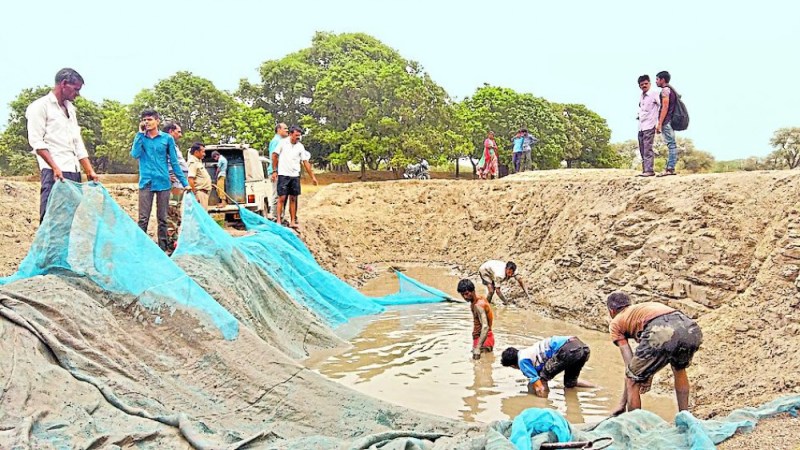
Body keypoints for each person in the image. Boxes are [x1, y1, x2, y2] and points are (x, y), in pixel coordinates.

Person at [605, 292, 703, 414]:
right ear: (629, 304)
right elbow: (651, 355)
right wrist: (647, 375)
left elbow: (631, 366)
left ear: (611, 311)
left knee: (631, 380)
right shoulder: (643, 308)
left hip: (661, 330)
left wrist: (621, 404)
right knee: (679, 369)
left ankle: (634, 426)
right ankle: (685, 417)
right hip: (690, 329)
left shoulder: (616, 323)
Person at [26, 68, 99, 222]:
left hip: (73, 171)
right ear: (64, 84)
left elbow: (77, 142)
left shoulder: (71, 109)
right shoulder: (40, 107)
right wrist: (55, 167)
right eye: (75, 89)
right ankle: (47, 248)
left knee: (71, 220)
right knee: (51, 219)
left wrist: (89, 170)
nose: (77, 94)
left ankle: (66, 248)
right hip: (55, 172)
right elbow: (37, 142)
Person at [131, 109, 188, 252]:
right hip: (146, 183)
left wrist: (185, 183)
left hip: (163, 183)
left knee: (162, 219)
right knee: (143, 218)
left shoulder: (167, 139)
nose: (146, 122)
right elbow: (135, 154)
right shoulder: (141, 138)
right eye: (144, 120)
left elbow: (174, 163)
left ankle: (162, 249)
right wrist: (139, 134)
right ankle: (139, 249)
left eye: (149, 119)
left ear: (157, 121)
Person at [501, 336, 593, 397]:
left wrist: (540, 400)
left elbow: (538, 383)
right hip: (581, 347)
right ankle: (596, 389)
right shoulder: (528, 352)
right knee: (570, 384)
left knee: (542, 379)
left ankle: (544, 405)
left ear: (513, 365)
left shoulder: (522, 361)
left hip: (567, 349)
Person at [270, 125, 318, 230]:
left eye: (299, 136)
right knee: (281, 198)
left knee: (293, 198)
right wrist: (274, 171)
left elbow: (305, 162)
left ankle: (292, 221)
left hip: (295, 175)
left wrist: (312, 177)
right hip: (283, 174)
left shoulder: (300, 146)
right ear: (291, 134)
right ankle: (278, 220)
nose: (298, 138)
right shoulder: (282, 143)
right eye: (296, 135)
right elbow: (274, 155)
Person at [163, 121, 188, 249]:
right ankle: (170, 243)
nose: (180, 135)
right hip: (173, 184)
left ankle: (175, 241)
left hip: (179, 183)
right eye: (178, 131)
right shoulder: (165, 144)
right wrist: (166, 174)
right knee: (171, 212)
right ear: (170, 132)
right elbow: (159, 161)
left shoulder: (173, 146)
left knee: (176, 212)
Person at [457, 279, 494, 360]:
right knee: (484, 367)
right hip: (486, 339)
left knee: (479, 369)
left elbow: (485, 327)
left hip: (483, 340)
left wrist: (478, 347)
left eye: (467, 294)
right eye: (462, 295)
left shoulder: (478, 305)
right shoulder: (480, 299)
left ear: (473, 290)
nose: (465, 297)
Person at [655, 71, 678, 176]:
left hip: (666, 121)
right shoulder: (671, 89)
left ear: (662, 79)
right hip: (670, 120)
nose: (656, 82)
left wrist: (659, 123)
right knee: (672, 144)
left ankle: (670, 168)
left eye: (657, 79)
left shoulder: (665, 90)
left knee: (671, 144)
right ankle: (670, 168)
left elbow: (665, 107)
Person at [636, 75, 659, 177]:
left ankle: (649, 170)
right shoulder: (642, 96)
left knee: (647, 148)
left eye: (646, 84)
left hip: (650, 124)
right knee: (642, 148)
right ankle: (645, 170)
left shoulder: (654, 94)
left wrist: (659, 122)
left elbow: (661, 106)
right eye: (642, 84)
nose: (644, 86)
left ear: (650, 83)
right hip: (641, 125)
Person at [266, 123, 289, 220]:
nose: (287, 130)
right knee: (277, 194)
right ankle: (275, 216)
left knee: (283, 194)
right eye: (285, 128)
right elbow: (274, 157)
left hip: (283, 171)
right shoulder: (276, 141)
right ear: (279, 130)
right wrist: (274, 171)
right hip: (277, 172)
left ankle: (281, 216)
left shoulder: (283, 141)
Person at [187, 143, 212, 211]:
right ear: (196, 152)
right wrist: (195, 195)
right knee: (200, 218)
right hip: (199, 193)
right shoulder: (193, 162)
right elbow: (190, 179)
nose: (204, 154)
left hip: (203, 193)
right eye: (203, 152)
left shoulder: (198, 162)